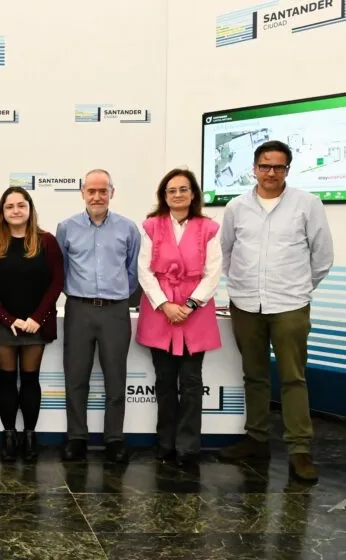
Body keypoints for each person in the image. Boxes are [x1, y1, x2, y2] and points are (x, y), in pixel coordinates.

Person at [219, 140, 334, 482]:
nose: (271, 173)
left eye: (278, 167)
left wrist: (299, 289)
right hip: (245, 305)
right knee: (254, 375)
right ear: (253, 168)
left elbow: (322, 257)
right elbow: (227, 253)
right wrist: (239, 287)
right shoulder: (236, 207)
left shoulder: (307, 204)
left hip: (289, 305)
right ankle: (256, 439)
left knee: (293, 378)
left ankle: (299, 450)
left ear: (287, 170)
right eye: (265, 166)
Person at [135, 169, 222, 467]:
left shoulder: (208, 228)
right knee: (164, 380)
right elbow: (144, 270)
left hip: (194, 313)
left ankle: (187, 446)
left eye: (183, 189)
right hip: (160, 312)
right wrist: (164, 305)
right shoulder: (151, 226)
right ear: (164, 195)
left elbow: (213, 272)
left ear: (194, 194)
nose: (177, 195)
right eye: (171, 190)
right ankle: (165, 441)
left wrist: (190, 304)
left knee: (191, 381)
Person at [56, 169, 140, 463]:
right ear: (82, 193)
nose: (97, 197)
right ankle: (76, 437)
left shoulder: (128, 229)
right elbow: (61, 269)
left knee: (116, 379)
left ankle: (114, 438)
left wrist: (116, 296)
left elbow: (133, 273)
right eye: (91, 191)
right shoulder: (66, 228)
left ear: (112, 193)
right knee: (76, 377)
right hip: (78, 308)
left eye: (102, 191)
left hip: (116, 311)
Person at [0, 186, 64, 462]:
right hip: (4, 323)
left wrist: (36, 319)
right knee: (6, 380)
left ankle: (29, 435)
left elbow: (57, 282)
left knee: (30, 380)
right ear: (2, 212)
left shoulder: (46, 241)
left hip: (34, 325)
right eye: (9, 206)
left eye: (21, 205)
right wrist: (7, 318)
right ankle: (9, 434)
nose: (16, 211)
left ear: (29, 209)